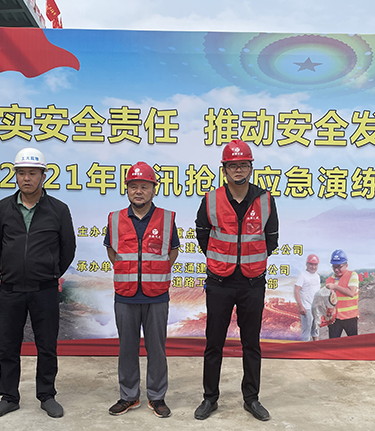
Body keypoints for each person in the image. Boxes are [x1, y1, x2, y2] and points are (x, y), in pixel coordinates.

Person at [0, 147, 76, 420]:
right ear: (15, 175)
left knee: (46, 346)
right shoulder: (3, 208)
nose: (27, 178)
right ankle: (9, 397)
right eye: (21, 172)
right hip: (11, 290)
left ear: (43, 176)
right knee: (7, 347)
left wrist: (49, 272)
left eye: (33, 173)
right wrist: (10, 270)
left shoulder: (58, 210)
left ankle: (47, 395)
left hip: (44, 290)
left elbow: (68, 248)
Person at [194, 139, 279, 422]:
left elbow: (271, 239)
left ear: (251, 167)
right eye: (233, 165)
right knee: (213, 343)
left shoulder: (265, 200)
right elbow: (203, 235)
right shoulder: (211, 200)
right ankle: (210, 398)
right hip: (219, 283)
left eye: (243, 164)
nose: (238, 170)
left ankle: (251, 398)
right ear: (225, 169)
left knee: (251, 343)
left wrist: (249, 262)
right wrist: (223, 261)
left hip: (252, 283)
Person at [104, 162, 180, 418]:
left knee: (156, 348)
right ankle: (129, 396)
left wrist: (154, 271)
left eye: (144, 187)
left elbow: (172, 252)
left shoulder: (167, 218)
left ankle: (157, 397)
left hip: (156, 295)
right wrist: (130, 271)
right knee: (127, 348)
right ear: (127, 189)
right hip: (125, 295)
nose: (139, 191)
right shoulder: (115, 218)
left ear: (153, 189)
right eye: (133, 186)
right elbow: (112, 251)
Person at [324, 249, 359, 338]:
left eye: (339, 266)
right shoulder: (329, 280)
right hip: (334, 318)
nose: (336, 269)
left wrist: (335, 287)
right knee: (333, 343)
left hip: (350, 317)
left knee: (353, 342)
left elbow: (351, 292)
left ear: (346, 265)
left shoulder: (352, 275)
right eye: (334, 267)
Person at [294, 254, 322, 341]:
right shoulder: (303, 275)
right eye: (311, 264)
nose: (313, 267)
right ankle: (304, 348)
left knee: (315, 331)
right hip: (307, 308)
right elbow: (296, 290)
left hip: (316, 308)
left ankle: (316, 347)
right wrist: (300, 306)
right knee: (306, 332)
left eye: (315, 264)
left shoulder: (317, 276)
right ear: (307, 264)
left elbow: (318, 291)